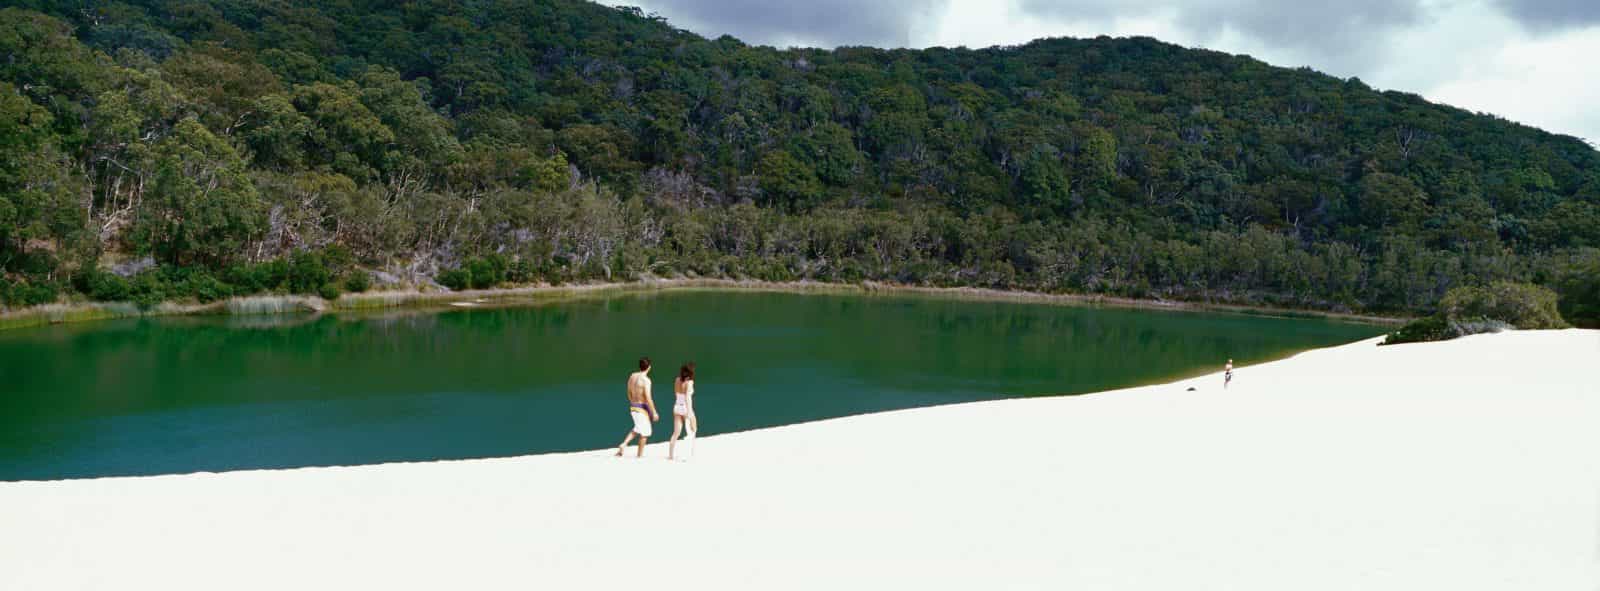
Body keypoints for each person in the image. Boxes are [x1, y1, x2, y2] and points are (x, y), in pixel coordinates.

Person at [615, 357, 658, 458]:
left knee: (637, 428)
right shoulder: (646, 380)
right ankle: (639, 456)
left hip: (633, 406)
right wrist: (654, 412)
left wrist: (632, 402)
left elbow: (628, 391)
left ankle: (624, 444)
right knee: (645, 433)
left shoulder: (632, 376)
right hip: (641, 408)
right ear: (649, 367)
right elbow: (648, 398)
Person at [668, 362, 697, 461]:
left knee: (676, 433)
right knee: (692, 430)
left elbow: (676, 394)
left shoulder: (677, 380)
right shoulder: (689, 383)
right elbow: (688, 398)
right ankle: (689, 455)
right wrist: (690, 413)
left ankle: (670, 455)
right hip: (685, 407)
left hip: (677, 406)